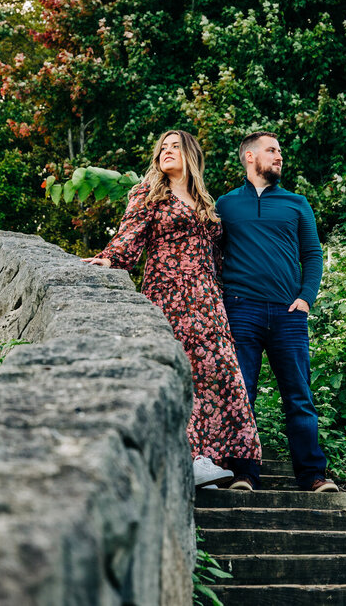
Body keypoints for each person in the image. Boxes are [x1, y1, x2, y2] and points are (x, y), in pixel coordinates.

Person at [84, 129, 261, 489]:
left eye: (174, 146)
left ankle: (208, 457)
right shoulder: (148, 193)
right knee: (180, 374)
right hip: (169, 296)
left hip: (209, 302)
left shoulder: (206, 202)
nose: (166, 151)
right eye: (162, 147)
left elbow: (218, 256)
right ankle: (188, 458)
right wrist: (110, 259)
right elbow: (130, 234)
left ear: (190, 155)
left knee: (218, 376)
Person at [215, 131, 338, 492]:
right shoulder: (225, 205)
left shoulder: (297, 203)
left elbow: (312, 255)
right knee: (242, 394)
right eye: (271, 151)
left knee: (299, 396)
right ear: (250, 157)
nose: (279, 156)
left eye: (280, 151)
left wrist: (306, 298)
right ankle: (243, 474)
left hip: (288, 313)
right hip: (241, 311)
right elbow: (212, 254)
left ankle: (313, 475)